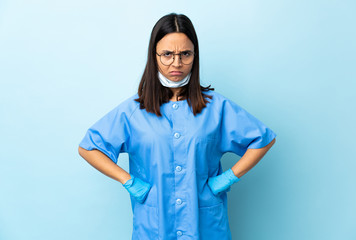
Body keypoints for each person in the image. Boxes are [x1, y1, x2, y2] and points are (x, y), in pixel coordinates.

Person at [78, 12, 276, 240]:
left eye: (185, 54)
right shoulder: (132, 111)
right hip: (153, 226)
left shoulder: (217, 108)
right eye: (167, 54)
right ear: (154, 56)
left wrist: (228, 178)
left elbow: (263, 139)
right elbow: (89, 147)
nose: (177, 63)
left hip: (207, 226)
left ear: (195, 55)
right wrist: (129, 181)